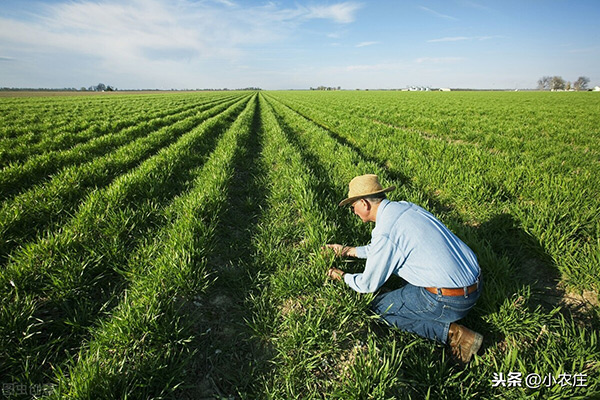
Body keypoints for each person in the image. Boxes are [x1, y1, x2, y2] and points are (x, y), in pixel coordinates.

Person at [325, 174, 483, 364]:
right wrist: (347, 251)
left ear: (364, 204)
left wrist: (342, 276)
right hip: (475, 281)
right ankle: (409, 301)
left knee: (377, 308)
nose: (354, 212)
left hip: (452, 299)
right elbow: (383, 248)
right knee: (393, 291)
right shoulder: (406, 208)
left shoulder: (385, 231)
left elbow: (366, 285)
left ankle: (455, 335)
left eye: (353, 207)